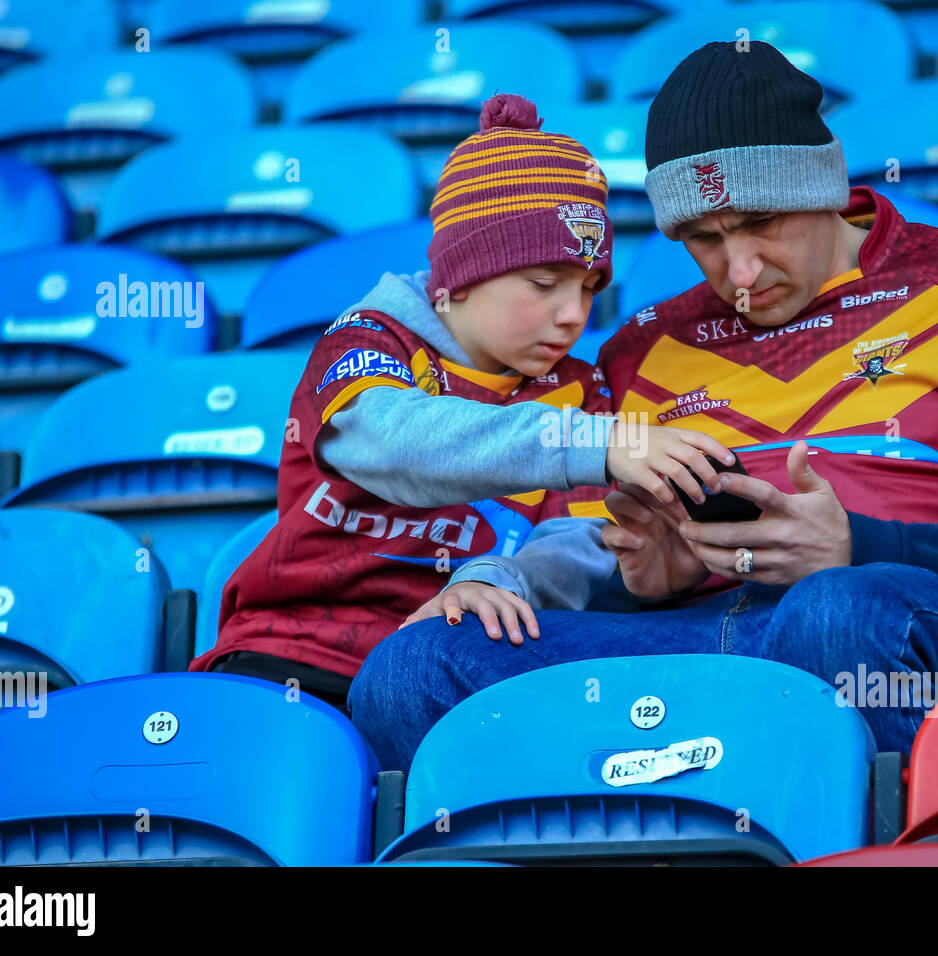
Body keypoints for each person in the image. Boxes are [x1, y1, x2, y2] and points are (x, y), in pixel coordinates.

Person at [347, 42, 938, 769]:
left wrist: (859, 545)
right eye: (702, 237)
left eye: (760, 223)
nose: (741, 271)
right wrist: (646, 577)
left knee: (835, 609)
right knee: (412, 667)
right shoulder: (642, 347)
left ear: (824, 185)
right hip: (692, 647)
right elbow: (587, 558)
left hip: (885, 627)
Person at [188, 93, 733, 709]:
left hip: (462, 656)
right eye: (544, 284)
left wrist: (500, 576)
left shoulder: (581, 389)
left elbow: (583, 538)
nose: (571, 315)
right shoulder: (371, 338)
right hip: (295, 650)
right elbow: (391, 441)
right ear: (463, 275)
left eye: (587, 289)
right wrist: (589, 442)